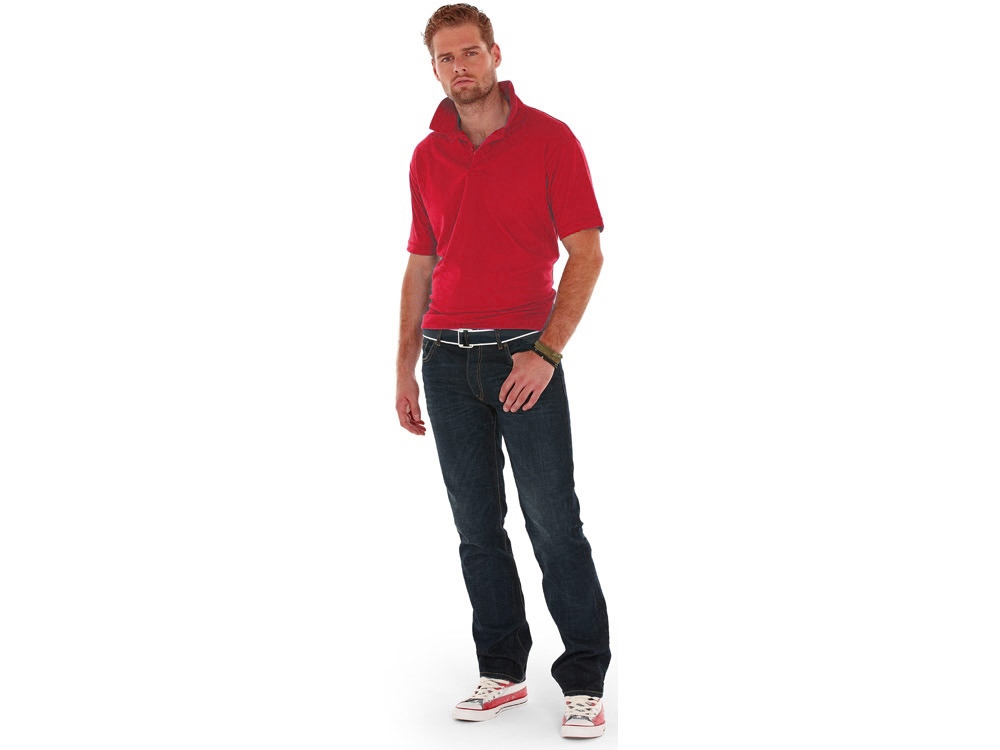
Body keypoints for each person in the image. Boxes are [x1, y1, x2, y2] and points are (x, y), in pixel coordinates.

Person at [394, 3, 611, 740]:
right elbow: (420, 265)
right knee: (476, 528)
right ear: (434, 69)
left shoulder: (551, 139)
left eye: (469, 53)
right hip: (445, 362)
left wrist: (545, 353)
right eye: (445, 58)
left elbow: (587, 253)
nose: (460, 67)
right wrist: (404, 367)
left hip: (523, 357)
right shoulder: (427, 155)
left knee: (553, 523)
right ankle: (502, 672)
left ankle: (584, 681)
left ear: (494, 53)